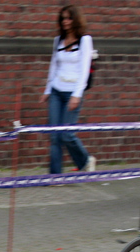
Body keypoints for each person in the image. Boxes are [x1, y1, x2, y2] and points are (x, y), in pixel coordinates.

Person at [41, 5, 96, 174]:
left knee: (67, 135)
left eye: (69, 18)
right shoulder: (58, 40)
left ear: (76, 20)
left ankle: (85, 160)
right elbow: (54, 66)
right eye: (63, 18)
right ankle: (55, 176)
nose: (65, 22)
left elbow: (84, 69)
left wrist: (77, 95)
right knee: (54, 135)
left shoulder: (85, 40)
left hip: (73, 91)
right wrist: (47, 89)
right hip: (57, 90)